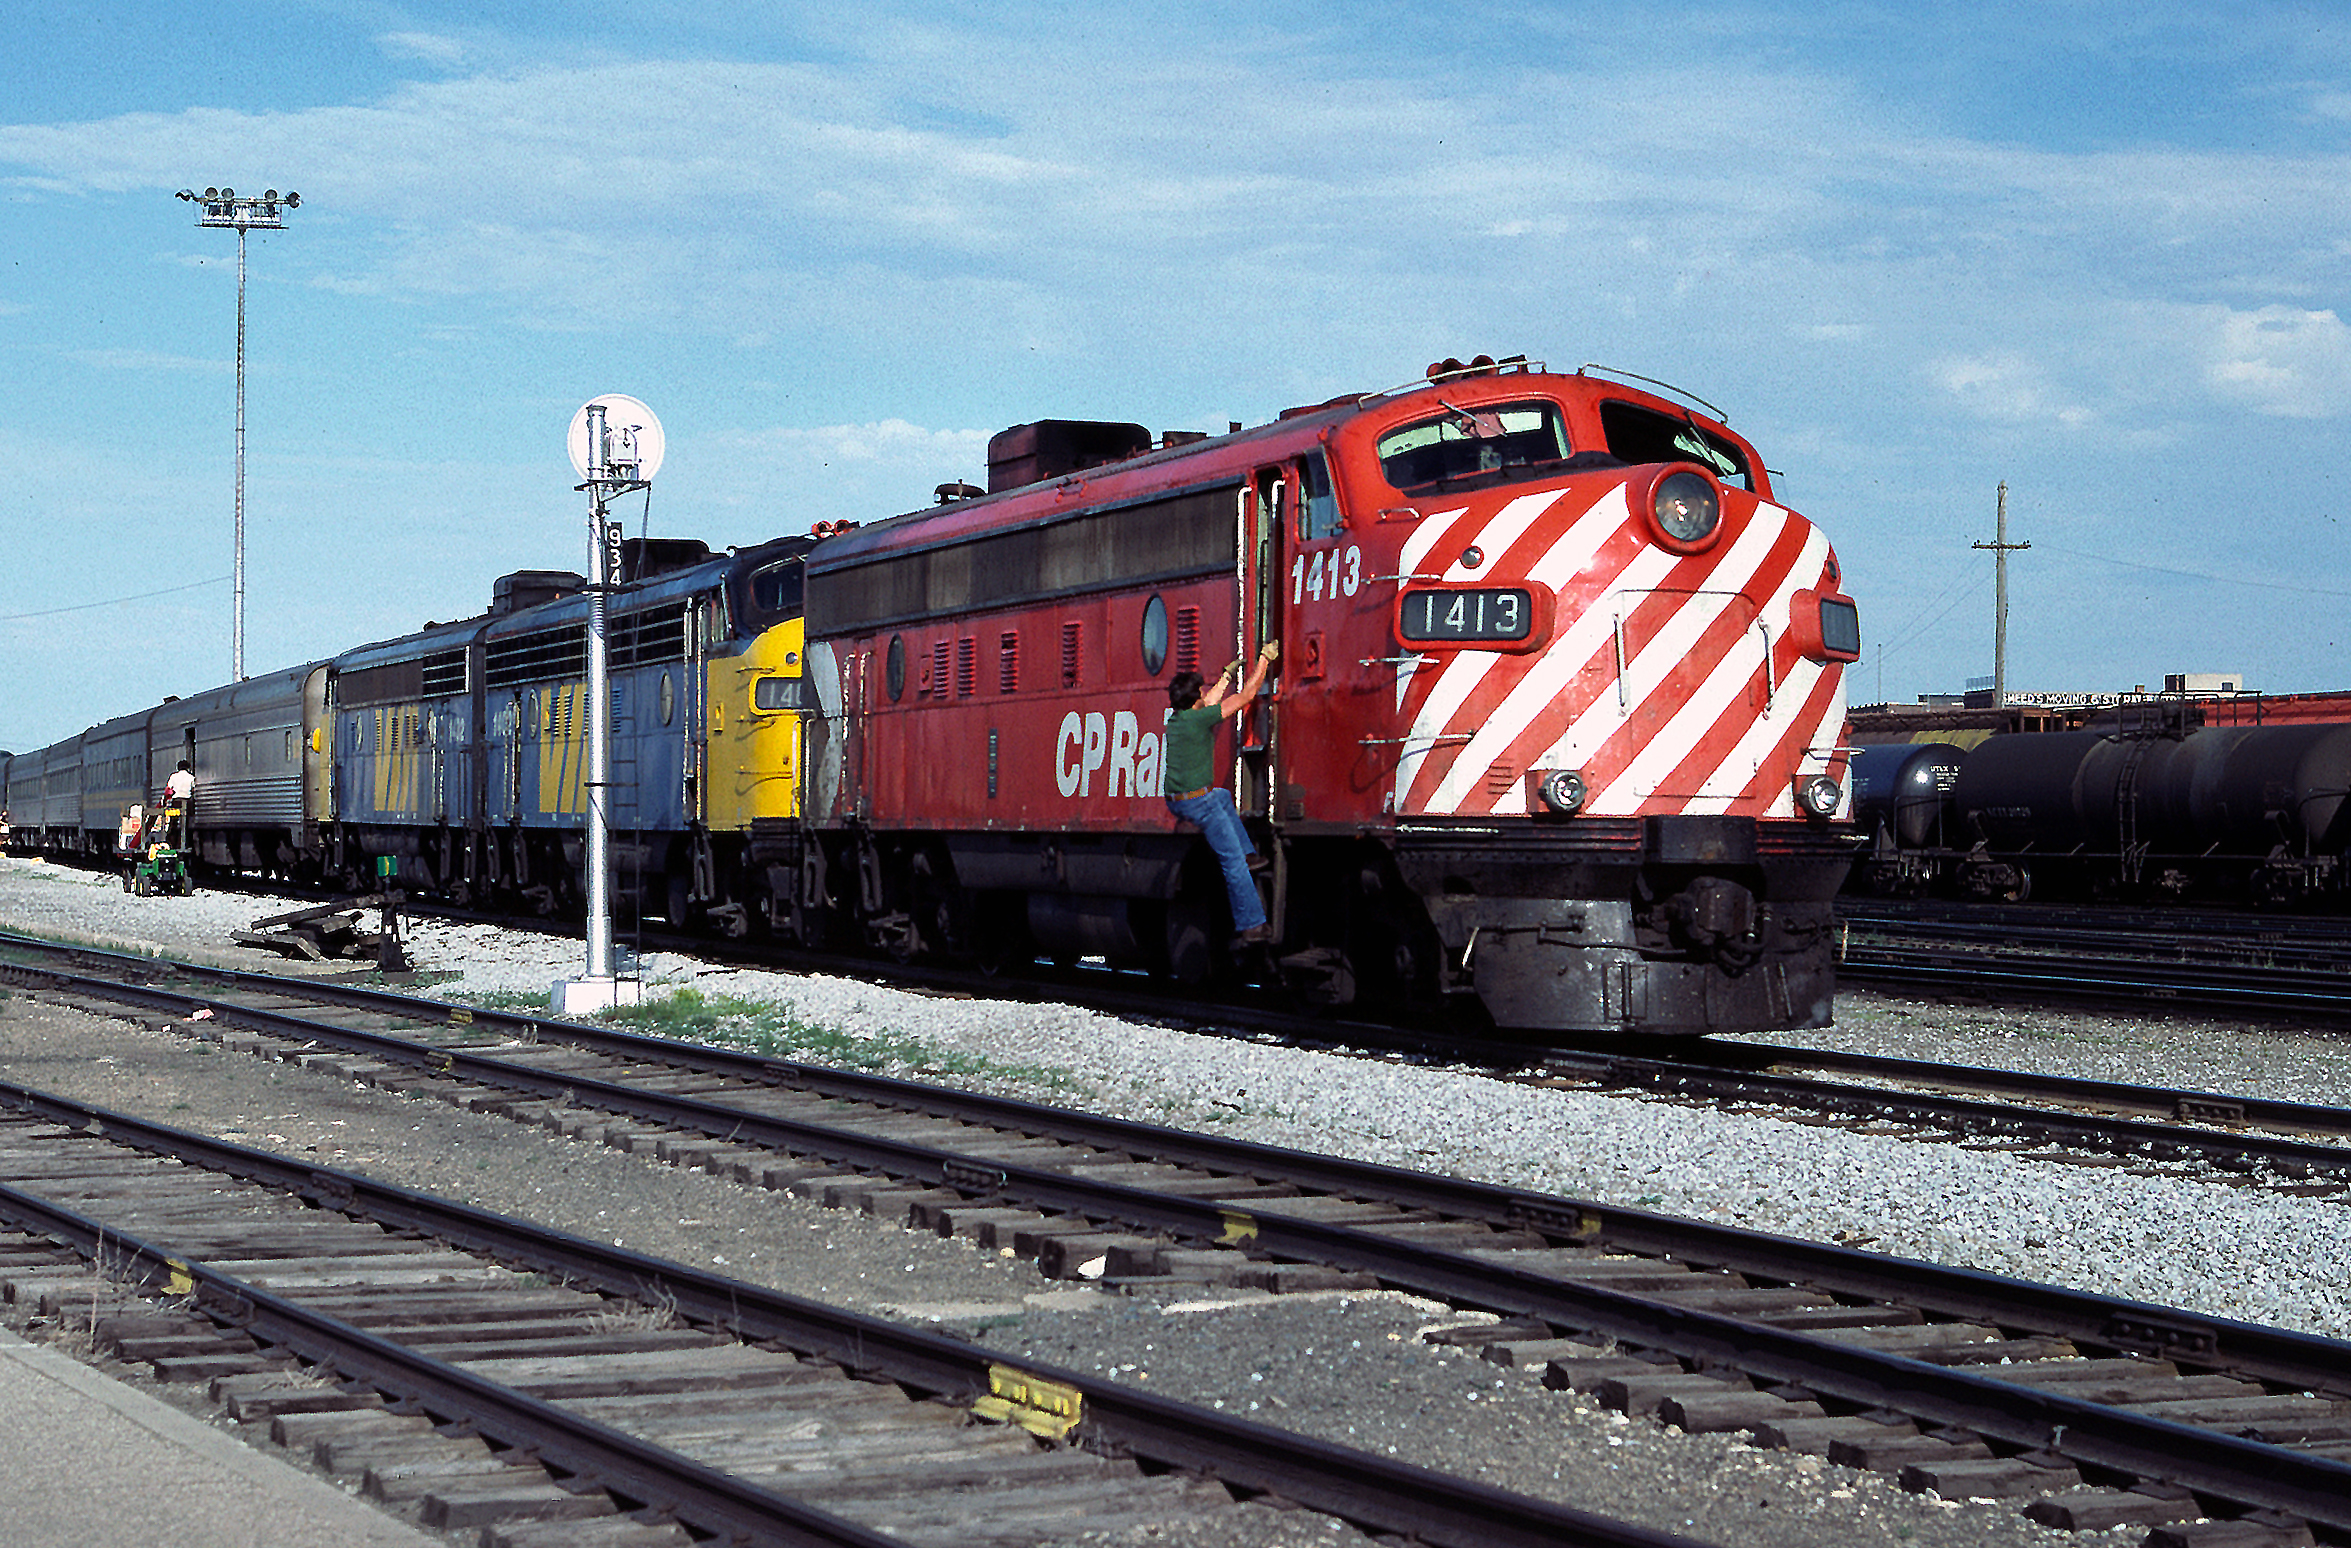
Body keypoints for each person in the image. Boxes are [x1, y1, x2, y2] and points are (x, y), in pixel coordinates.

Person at [1164, 639, 1279, 945]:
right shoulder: (1199, 719)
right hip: (1197, 803)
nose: (1204, 693)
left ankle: (1248, 853)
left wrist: (1225, 677)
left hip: (1179, 801)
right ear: (1195, 700)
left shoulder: (1177, 720)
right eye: (1201, 691)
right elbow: (1246, 697)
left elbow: (1209, 702)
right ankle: (1252, 924)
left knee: (1223, 796)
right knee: (1233, 865)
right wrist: (1264, 662)